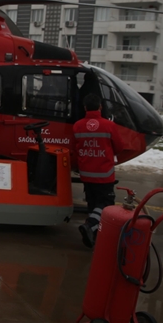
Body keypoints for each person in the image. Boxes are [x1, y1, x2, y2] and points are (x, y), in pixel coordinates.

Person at [72, 93, 125, 248]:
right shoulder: (109, 126)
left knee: (92, 204)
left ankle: (92, 236)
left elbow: (76, 147)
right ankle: (90, 225)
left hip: (86, 174)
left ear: (85, 108)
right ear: (100, 107)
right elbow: (119, 147)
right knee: (106, 204)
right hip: (104, 174)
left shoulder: (77, 126)